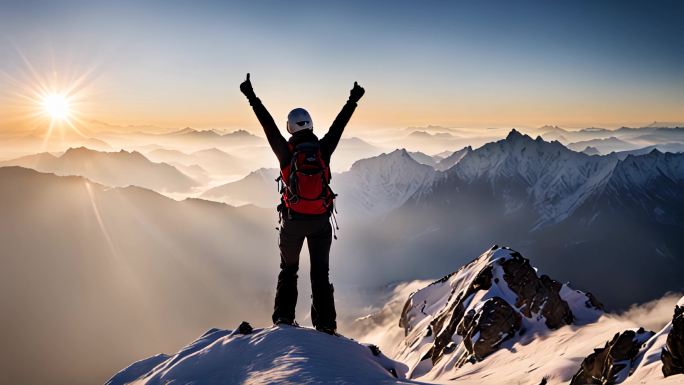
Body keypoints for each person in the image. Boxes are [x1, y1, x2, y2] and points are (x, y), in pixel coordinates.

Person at [239, 73, 365, 335]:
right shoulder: (323, 149)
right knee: (320, 275)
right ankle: (326, 325)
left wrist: (251, 97)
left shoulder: (285, 152)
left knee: (289, 269)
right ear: (309, 125)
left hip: (293, 222)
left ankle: (284, 319)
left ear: (291, 128)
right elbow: (338, 126)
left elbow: (268, 126)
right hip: (320, 222)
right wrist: (353, 100)